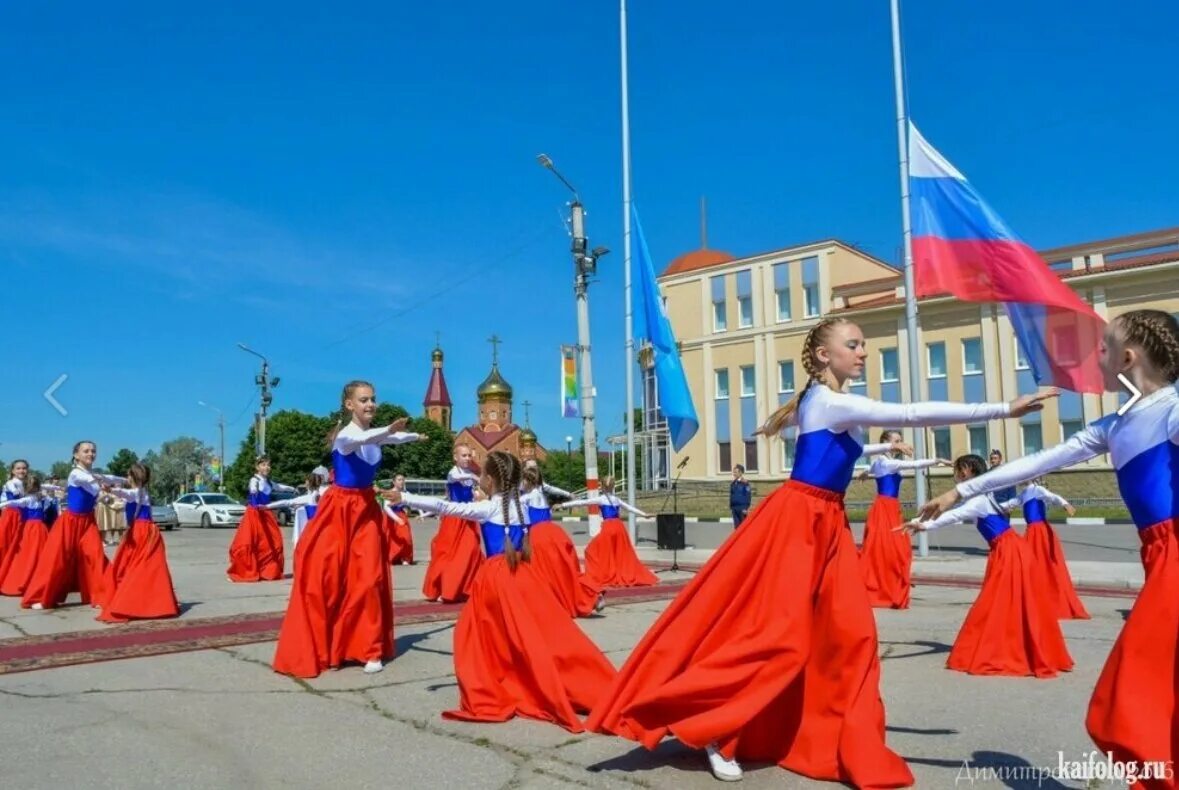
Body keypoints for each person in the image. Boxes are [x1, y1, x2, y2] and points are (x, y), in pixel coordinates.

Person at [585, 316, 1053, 786]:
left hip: (826, 522)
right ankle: (714, 729)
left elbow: (851, 443)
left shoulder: (823, 400)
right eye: (855, 344)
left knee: (851, 635)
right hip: (799, 521)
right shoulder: (831, 400)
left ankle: (829, 730)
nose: (864, 352)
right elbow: (910, 412)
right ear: (826, 356)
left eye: (864, 344)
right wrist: (1003, 408)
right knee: (777, 636)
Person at [917, 310, 1179, 780]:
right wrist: (962, 490)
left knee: (1135, 693)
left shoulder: (1173, 409)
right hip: (1159, 555)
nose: (1095, 355)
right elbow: (1039, 459)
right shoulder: (1115, 425)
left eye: (1103, 347)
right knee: (1149, 695)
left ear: (1127, 357)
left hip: (1174, 553)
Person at [389, 450, 616, 731]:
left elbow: (445, 506)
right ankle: (571, 682)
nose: (480, 478)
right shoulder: (519, 505)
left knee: (476, 635)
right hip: (524, 574)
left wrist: (407, 498)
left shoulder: (490, 508)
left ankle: (501, 682)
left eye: (483, 474)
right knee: (534, 635)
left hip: (495, 579)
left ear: (490, 480)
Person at [273, 381, 424, 678]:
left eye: (373, 399)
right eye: (364, 400)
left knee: (368, 578)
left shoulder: (375, 436)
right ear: (349, 405)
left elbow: (389, 439)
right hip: (339, 509)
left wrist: (414, 436)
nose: (371, 404)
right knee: (327, 577)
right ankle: (328, 643)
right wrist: (390, 430)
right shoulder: (344, 436)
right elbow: (370, 437)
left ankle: (369, 648)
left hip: (366, 509)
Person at [901, 455, 1073, 677]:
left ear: (967, 472)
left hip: (1009, 551)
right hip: (1009, 549)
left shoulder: (977, 500)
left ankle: (1003, 649)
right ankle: (1018, 647)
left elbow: (954, 516)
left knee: (997, 601)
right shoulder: (982, 496)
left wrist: (922, 524)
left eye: (959, 470)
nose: (957, 474)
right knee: (1011, 601)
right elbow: (998, 507)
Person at [23, 441, 118, 610]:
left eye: (93, 451)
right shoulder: (76, 473)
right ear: (76, 455)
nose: (91, 454)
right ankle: (44, 598)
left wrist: (128, 481)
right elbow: (94, 484)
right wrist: (105, 487)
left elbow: (100, 487)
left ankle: (101, 595)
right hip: (70, 522)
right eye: (86, 451)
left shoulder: (92, 474)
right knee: (56, 559)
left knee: (95, 555)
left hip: (88, 522)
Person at [858, 432, 947, 609]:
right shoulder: (889, 463)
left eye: (900, 440)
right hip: (885, 510)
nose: (901, 443)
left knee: (891, 549)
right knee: (894, 549)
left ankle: (887, 585)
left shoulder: (880, 462)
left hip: (889, 508)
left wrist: (865, 473)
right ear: (886, 443)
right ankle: (884, 587)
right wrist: (937, 461)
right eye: (897, 441)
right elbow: (914, 464)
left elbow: (872, 469)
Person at [98, 463, 180, 623]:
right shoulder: (142, 492)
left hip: (140, 532)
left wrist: (107, 487)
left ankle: (129, 602)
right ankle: (148, 601)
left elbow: (121, 492)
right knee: (142, 567)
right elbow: (121, 497)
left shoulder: (135, 492)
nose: (127, 478)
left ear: (133, 477)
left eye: (129, 475)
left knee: (133, 567)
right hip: (146, 531)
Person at [521, 463, 603, 617]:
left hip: (538, 536)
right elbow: (554, 489)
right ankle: (590, 594)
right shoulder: (542, 492)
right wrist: (569, 494)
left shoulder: (525, 498)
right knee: (565, 569)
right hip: (554, 533)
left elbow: (521, 518)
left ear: (526, 481)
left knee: (544, 572)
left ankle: (550, 602)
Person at [1003, 479, 1088, 619]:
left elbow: (1052, 496)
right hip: (1031, 532)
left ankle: (1049, 599)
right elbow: (1011, 503)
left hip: (1041, 532)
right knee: (1031, 565)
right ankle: (1034, 599)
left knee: (1044, 564)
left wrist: (1065, 504)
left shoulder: (1037, 489)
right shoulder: (1024, 493)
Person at [555, 477, 657, 588]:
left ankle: (603, 574)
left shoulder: (601, 499)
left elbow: (582, 502)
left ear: (602, 487)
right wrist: (644, 514)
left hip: (608, 528)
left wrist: (563, 505)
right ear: (613, 487)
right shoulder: (617, 500)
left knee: (591, 550)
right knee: (618, 552)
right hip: (619, 527)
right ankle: (616, 572)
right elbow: (630, 508)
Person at [421, 445, 484, 602]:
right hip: (453, 519)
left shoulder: (469, 473)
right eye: (464, 455)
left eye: (469, 455)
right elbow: (456, 478)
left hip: (468, 518)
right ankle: (444, 588)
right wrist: (475, 477)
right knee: (447, 553)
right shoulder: (453, 472)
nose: (468, 458)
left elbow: (475, 488)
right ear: (455, 457)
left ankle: (466, 588)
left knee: (471, 551)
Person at [227, 456, 294, 583]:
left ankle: (266, 571)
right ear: (257, 467)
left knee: (272, 542)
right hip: (254, 514)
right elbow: (253, 488)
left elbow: (279, 487)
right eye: (263, 465)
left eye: (268, 465)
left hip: (266, 514)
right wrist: (253, 490)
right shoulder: (254, 479)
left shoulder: (268, 481)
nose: (266, 467)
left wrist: (292, 488)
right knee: (250, 542)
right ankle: (244, 571)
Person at [0, 476, 57, 596]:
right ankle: (28, 579)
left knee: (39, 553)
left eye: (35, 487)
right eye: (31, 487)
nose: (33, 490)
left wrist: (54, 489)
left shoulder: (41, 499)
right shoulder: (27, 500)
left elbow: (48, 494)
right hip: (31, 530)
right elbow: (13, 502)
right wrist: (3, 504)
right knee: (30, 553)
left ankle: (40, 580)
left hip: (39, 529)